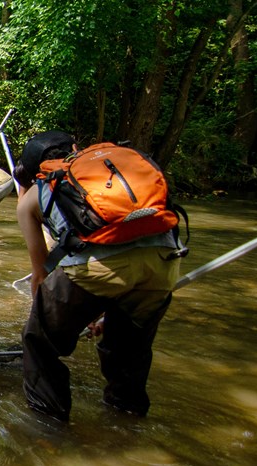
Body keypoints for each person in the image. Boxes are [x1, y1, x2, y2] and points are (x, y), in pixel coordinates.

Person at [14, 130, 182, 421]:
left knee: (38, 342)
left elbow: (41, 275)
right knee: (130, 350)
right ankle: (128, 418)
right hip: (163, 262)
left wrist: (57, 318)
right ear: (76, 148)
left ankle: (47, 428)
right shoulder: (112, 167)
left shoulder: (34, 196)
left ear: (33, 172)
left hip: (96, 273)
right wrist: (99, 313)